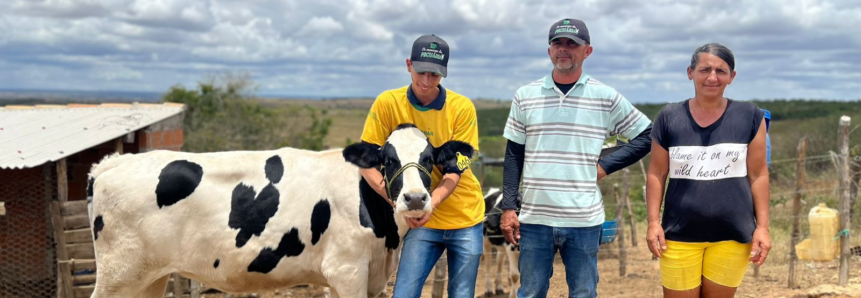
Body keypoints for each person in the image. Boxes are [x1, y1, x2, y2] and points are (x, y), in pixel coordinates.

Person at [499, 18, 653, 298]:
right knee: (530, 292)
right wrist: (509, 207)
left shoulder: (605, 97)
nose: (564, 49)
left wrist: (605, 166)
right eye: (558, 43)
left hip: (584, 218)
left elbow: (648, 135)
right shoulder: (525, 96)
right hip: (535, 217)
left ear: (587, 51)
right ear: (549, 51)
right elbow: (513, 155)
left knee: (583, 292)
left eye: (573, 43)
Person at [358, 34, 484, 298]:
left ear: (444, 74)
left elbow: (456, 168)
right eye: (421, 72)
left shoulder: (462, 108)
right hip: (418, 220)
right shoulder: (387, 103)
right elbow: (365, 160)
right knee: (404, 293)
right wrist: (396, 200)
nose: (426, 81)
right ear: (408, 65)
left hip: (464, 216)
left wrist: (430, 203)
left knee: (461, 294)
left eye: (435, 75)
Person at [645, 43, 771, 298]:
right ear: (690, 72)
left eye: (721, 71)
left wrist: (763, 228)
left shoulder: (750, 116)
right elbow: (656, 174)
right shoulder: (669, 117)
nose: (712, 77)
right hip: (678, 236)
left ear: (732, 77)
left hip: (733, 236)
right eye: (705, 69)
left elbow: (759, 175)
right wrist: (653, 222)